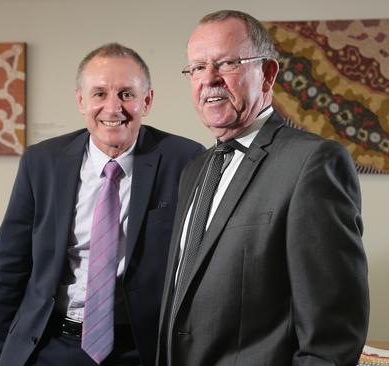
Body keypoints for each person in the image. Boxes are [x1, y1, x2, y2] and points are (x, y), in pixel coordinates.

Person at [156, 10, 369, 366]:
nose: (209, 79)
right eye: (197, 67)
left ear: (267, 74)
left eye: (226, 63)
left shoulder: (312, 163)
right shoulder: (195, 168)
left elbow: (331, 340)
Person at [0, 43, 205, 366]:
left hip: (138, 349)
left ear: (147, 101)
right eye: (99, 94)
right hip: (50, 345)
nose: (113, 108)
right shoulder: (42, 162)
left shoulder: (185, 159)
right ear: (81, 100)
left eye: (126, 94)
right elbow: (10, 269)